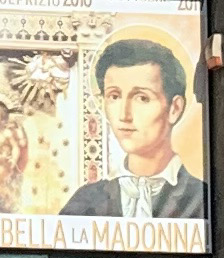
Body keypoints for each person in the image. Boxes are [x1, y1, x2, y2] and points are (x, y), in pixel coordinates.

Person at [63, 36, 207, 223]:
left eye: (142, 98)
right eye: (114, 96)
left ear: (175, 108)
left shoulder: (201, 199)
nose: (124, 114)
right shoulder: (85, 202)